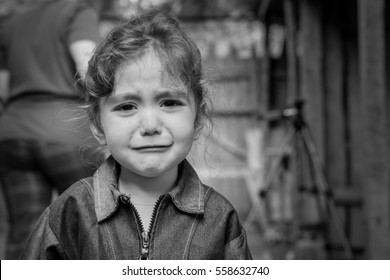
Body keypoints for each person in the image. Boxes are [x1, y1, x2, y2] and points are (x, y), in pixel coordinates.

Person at [20, 10, 252, 260]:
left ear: (198, 119)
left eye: (170, 103)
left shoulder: (221, 218)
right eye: (127, 106)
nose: (150, 125)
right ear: (98, 126)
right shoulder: (71, 212)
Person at [0, 0, 102, 259]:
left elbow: (3, 88)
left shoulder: (11, 22)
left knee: (26, 229)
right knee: (90, 226)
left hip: (13, 133)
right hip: (65, 133)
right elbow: (87, 68)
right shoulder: (77, 11)